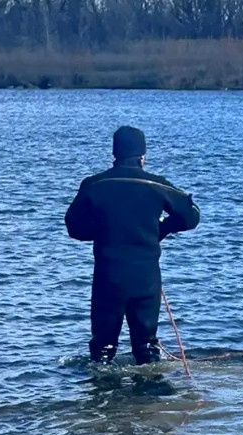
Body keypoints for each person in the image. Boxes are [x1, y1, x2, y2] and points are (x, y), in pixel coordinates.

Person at [65, 126, 200, 365]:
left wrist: (104, 231)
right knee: (146, 346)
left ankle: (102, 396)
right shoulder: (159, 185)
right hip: (145, 277)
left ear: (115, 153)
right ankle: (151, 397)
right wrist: (161, 229)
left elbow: (73, 227)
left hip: (109, 276)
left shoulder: (94, 185)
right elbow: (191, 218)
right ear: (142, 156)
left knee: (103, 348)